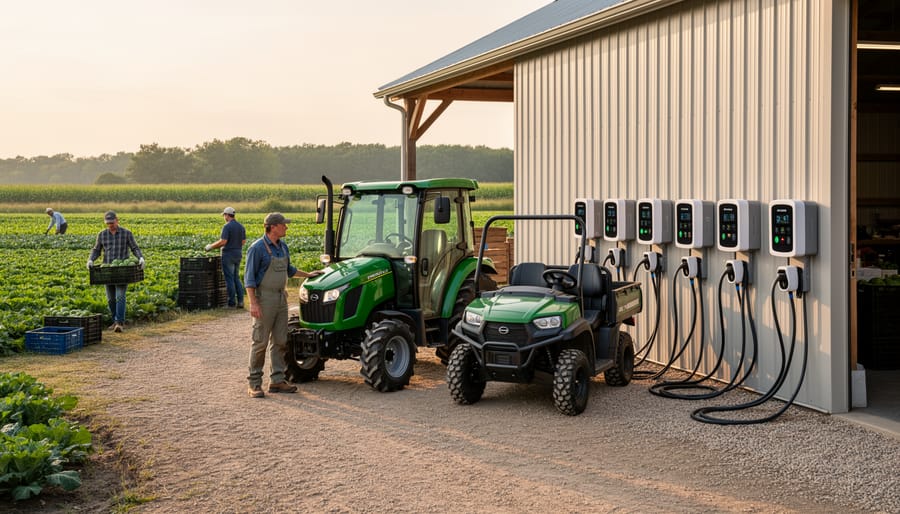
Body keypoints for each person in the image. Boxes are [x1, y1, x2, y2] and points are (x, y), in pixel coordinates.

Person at [243, 212, 322, 398]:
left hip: (280, 299)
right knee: (260, 342)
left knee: (280, 341)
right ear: (273, 227)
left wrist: (309, 275)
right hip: (264, 299)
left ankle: (277, 380)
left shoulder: (283, 247)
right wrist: (254, 303)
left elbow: (290, 270)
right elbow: (249, 280)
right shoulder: (257, 249)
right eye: (283, 224)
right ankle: (254, 383)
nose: (286, 227)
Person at [88, 211, 144, 333]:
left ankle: (120, 322)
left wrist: (140, 257)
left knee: (120, 296)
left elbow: (134, 248)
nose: (110, 225)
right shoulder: (102, 235)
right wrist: (91, 260)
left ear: (117, 220)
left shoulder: (126, 233)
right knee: (110, 299)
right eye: (108, 223)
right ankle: (115, 320)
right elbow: (96, 250)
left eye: (112, 223)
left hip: (122, 270)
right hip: (107, 271)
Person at [204, 206, 247, 308]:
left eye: (224, 215)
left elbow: (223, 242)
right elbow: (243, 242)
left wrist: (211, 247)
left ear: (227, 215)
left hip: (228, 255)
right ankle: (240, 301)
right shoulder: (241, 227)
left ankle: (231, 303)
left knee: (229, 279)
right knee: (236, 278)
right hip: (238, 254)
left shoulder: (227, 227)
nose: (224, 217)